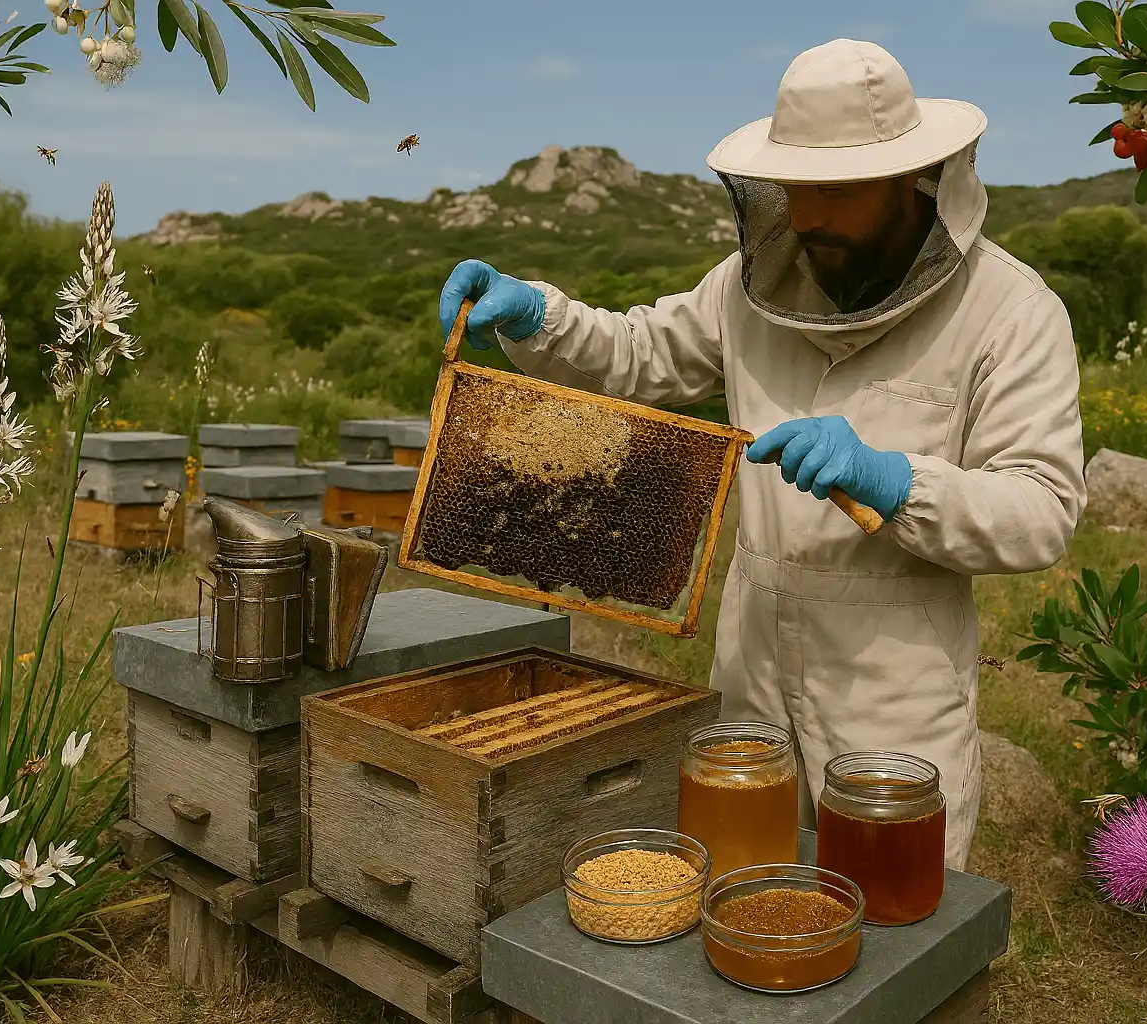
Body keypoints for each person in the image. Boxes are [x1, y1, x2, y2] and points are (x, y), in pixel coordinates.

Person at [436, 38, 1086, 870]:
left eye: (835, 192)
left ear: (909, 180)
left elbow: (1041, 511)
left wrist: (897, 483)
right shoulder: (748, 287)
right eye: (793, 189)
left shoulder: (1012, 311)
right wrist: (541, 317)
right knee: (745, 891)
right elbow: (642, 354)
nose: (808, 217)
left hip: (893, 689)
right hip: (748, 670)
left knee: (893, 936)